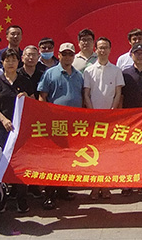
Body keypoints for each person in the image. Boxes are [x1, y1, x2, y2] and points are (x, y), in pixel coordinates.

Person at [37, 42, 83, 209]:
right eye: (65, 54)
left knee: (67, 158)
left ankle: (63, 189)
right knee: (53, 159)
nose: (68, 57)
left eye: (71, 54)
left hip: (73, 124)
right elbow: (42, 96)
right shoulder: (50, 73)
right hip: (55, 123)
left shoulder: (79, 75)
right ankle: (49, 194)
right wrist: (45, 117)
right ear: (59, 55)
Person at [0, 48, 31, 213]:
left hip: (20, 130)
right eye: (7, 60)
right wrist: (4, 120)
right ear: (2, 62)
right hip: (1, 128)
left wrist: (27, 97)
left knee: (20, 163)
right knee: (0, 164)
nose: (10, 63)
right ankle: (0, 199)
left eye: (14, 60)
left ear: (18, 62)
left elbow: (34, 103)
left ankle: (22, 199)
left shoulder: (24, 81)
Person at [83, 37, 125, 199]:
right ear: (96, 49)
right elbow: (86, 94)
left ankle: (106, 186)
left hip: (110, 118)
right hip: (93, 118)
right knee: (93, 153)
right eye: (100, 47)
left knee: (107, 153)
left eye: (105, 47)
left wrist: (113, 112)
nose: (103, 50)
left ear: (110, 50)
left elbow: (118, 93)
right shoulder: (88, 70)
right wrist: (92, 113)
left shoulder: (116, 70)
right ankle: (94, 186)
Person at [121, 43, 142, 108]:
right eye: (136, 53)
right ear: (131, 55)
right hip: (130, 111)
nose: (139, 56)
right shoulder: (125, 74)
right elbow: (121, 96)